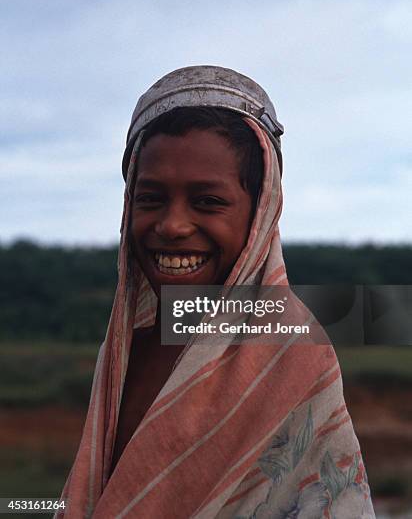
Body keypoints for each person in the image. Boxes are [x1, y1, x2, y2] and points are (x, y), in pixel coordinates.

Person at [57, 66, 375, 518]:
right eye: (150, 199)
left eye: (208, 201)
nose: (172, 225)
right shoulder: (126, 349)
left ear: (260, 211)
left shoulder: (292, 356)